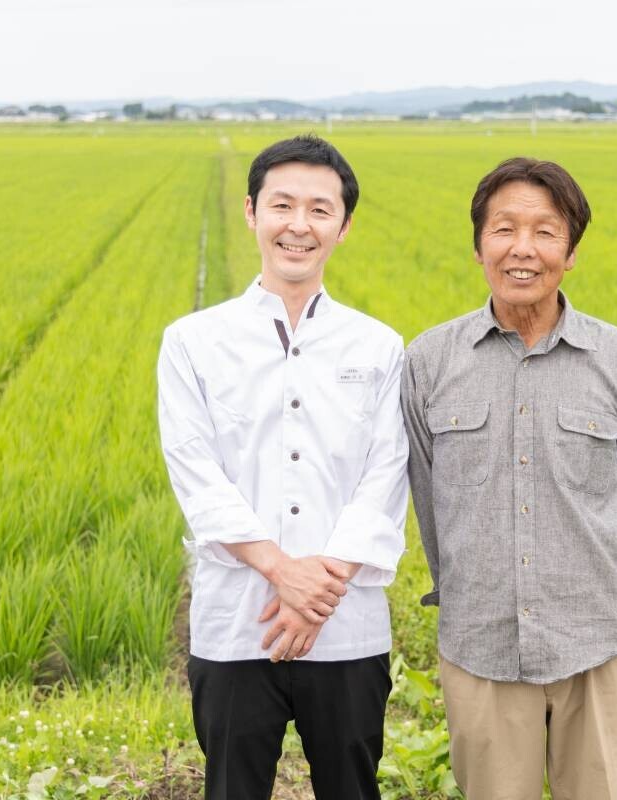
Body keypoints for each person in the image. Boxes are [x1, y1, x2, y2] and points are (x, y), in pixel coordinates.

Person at [157, 134, 409, 799]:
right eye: (283, 205)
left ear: (343, 226)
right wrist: (281, 571)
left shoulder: (379, 347)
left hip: (346, 627)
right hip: (236, 623)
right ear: (251, 212)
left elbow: (386, 476)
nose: (300, 226)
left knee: (352, 790)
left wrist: (316, 592)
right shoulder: (192, 343)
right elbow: (194, 470)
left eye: (320, 210)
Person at [401, 157, 617, 799]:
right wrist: (465, 587)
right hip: (481, 638)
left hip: (598, 638)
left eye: (545, 231)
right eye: (504, 229)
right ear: (478, 244)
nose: (524, 249)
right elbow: (427, 499)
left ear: (570, 251)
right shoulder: (429, 361)